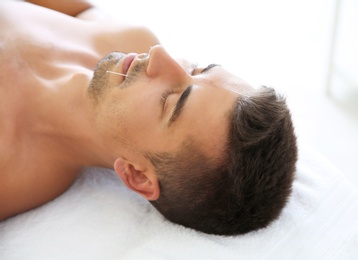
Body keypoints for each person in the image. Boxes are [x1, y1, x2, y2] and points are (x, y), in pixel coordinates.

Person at [0, 0, 297, 235]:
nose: (158, 55)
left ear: (137, 176)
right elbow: (79, 9)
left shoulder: (9, 167)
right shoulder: (130, 39)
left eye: (170, 101)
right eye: (196, 69)